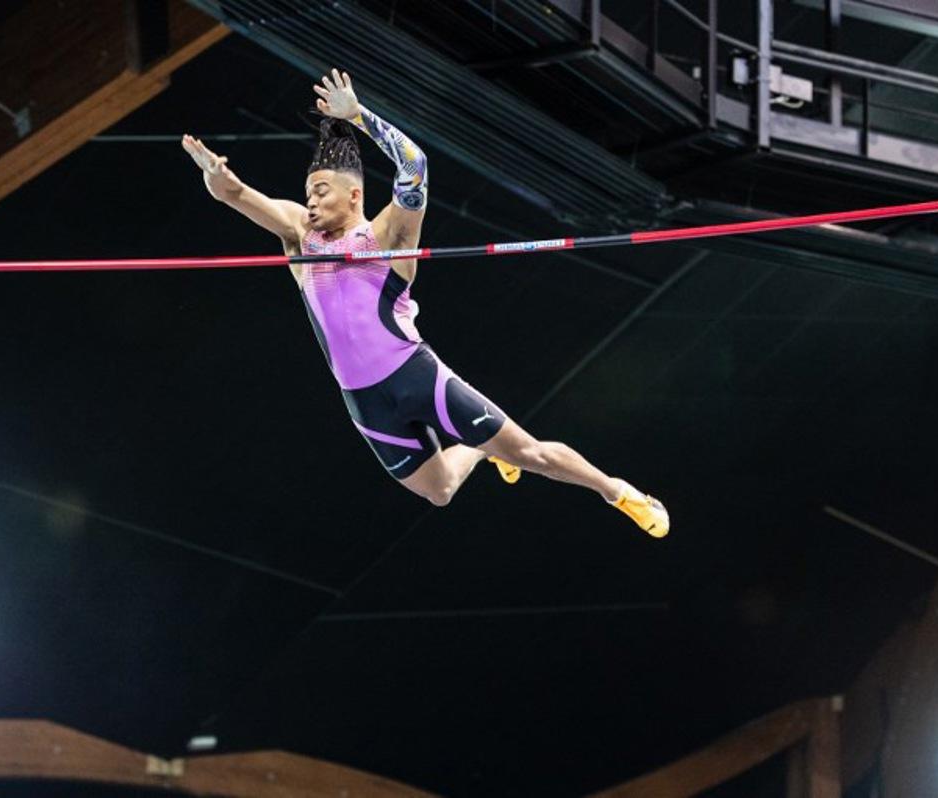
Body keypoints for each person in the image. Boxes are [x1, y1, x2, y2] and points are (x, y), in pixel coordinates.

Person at [181, 69, 668, 536]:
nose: (310, 202)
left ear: (354, 196)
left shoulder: (388, 233)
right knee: (439, 491)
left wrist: (359, 117)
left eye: (321, 191)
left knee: (530, 454)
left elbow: (415, 166)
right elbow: (235, 193)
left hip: (417, 377)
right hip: (364, 401)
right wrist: (216, 179)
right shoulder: (299, 236)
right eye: (308, 193)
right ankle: (481, 450)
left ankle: (617, 491)